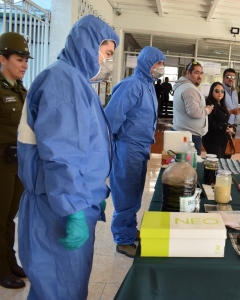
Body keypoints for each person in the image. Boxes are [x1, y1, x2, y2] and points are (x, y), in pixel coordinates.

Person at [17, 15, 119, 299]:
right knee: (59, 289)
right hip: (58, 207)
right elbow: (62, 154)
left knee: (62, 287)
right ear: (89, 45)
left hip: (68, 199)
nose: (106, 61)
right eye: (107, 54)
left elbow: (83, 146)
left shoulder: (73, 79)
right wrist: (73, 206)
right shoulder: (63, 81)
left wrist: (93, 191)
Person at [105, 46, 166, 258]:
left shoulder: (148, 86)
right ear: (146, 63)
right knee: (125, 194)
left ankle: (129, 230)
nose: (160, 68)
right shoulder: (131, 86)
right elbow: (111, 119)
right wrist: (110, 150)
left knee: (134, 193)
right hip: (127, 147)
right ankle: (123, 240)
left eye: (162, 64)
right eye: (157, 63)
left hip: (140, 147)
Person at [0, 32, 32, 289]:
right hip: (0, 163)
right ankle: (1, 270)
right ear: (3, 58)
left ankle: (10, 261)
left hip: (16, 162)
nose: (24, 64)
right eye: (19, 59)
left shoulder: (20, 89)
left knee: (10, 216)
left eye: (25, 60)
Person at [172, 61, 213, 155]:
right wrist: (207, 110)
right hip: (190, 137)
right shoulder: (189, 89)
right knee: (190, 167)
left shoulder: (182, 86)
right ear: (188, 73)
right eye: (196, 73)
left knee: (181, 166)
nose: (200, 76)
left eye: (201, 73)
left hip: (184, 133)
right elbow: (194, 112)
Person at [202, 82, 232, 158]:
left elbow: (222, 120)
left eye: (222, 91)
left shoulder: (221, 104)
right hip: (212, 140)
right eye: (217, 91)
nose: (220, 93)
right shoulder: (209, 104)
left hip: (222, 139)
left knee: (222, 163)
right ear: (212, 91)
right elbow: (209, 122)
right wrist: (224, 127)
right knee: (214, 163)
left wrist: (229, 127)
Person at [222, 68, 240, 158]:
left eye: (233, 77)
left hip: (232, 125)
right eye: (228, 76)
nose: (231, 79)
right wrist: (231, 111)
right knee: (221, 153)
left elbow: (234, 106)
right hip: (223, 125)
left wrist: (237, 111)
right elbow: (217, 109)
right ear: (223, 77)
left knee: (229, 152)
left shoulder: (235, 92)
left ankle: (226, 171)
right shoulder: (220, 90)